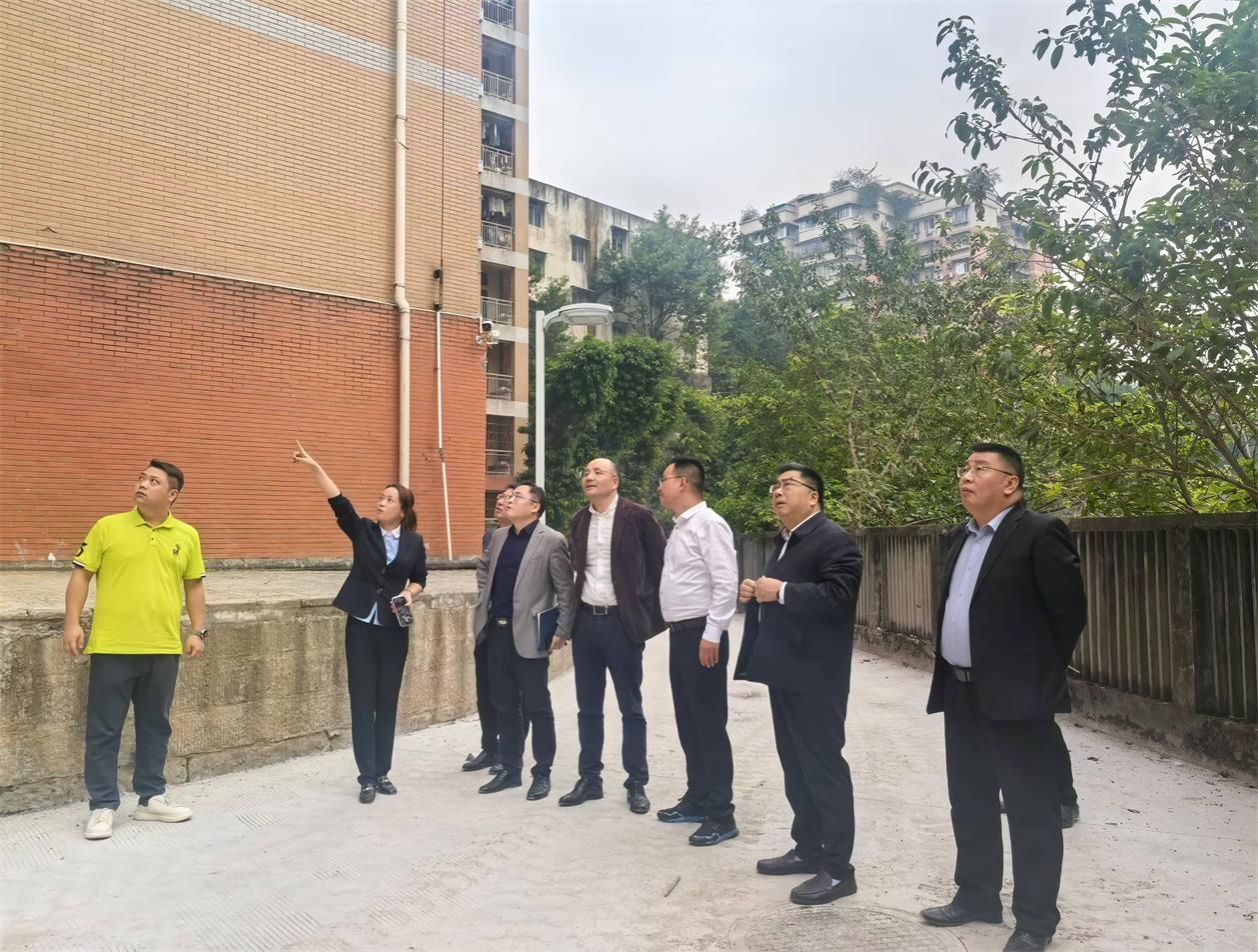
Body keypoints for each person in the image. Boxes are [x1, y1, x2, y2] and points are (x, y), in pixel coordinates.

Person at [919, 443, 1086, 952]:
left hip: (1018, 699)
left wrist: (1034, 679)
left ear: (1010, 484)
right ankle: (977, 895)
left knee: (1031, 810)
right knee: (969, 800)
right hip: (960, 690)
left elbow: (1069, 614)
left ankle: (1035, 921)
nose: (967, 476)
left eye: (980, 468)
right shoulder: (959, 537)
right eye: (964, 468)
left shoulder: (1039, 532)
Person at [734, 463, 863, 906]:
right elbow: (780, 591)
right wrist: (759, 591)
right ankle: (808, 848)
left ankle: (839, 869)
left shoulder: (834, 539)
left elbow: (840, 597)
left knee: (823, 768)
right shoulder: (787, 540)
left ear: (814, 496)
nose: (778, 491)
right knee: (795, 766)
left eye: (788, 484)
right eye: (775, 485)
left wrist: (781, 591)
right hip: (786, 671)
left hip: (817, 676)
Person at [64, 460, 208, 841]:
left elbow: (194, 585)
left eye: (153, 481)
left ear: (172, 494)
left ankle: (151, 797)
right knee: (104, 729)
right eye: (141, 478)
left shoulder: (187, 535)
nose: (142, 484)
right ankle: (102, 805)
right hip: (113, 647)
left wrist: (198, 630)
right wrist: (72, 622)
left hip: (163, 647)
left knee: (155, 725)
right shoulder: (107, 527)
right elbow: (81, 574)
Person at [292, 442, 427, 804]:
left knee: (387, 700)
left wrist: (409, 594)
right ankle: (366, 776)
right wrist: (315, 467)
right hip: (361, 626)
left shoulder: (414, 543)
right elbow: (339, 502)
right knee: (362, 700)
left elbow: (420, 579)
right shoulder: (363, 530)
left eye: (388, 499)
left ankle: (383, 772)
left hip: (394, 629)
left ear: (402, 510)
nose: (380, 502)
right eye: (380, 497)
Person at [554, 458, 666, 814]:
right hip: (587, 622)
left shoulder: (638, 516)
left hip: (622, 623)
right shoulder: (580, 520)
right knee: (588, 707)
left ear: (615, 481)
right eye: (586, 472)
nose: (589, 476)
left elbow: (661, 567)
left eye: (597, 472)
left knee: (630, 707)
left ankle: (636, 783)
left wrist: (647, 617)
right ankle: (590, 779)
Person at [656, 458, 739, 847]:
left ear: (683, 482)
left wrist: (713, 632)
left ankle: (721, 814)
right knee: (689, 721)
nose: (659, 487)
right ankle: (698, 798)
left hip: (701, 635)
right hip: (681, 634)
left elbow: (725, 581)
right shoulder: (681, 527)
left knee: (708, 724)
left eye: (664, 479)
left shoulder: (709, 524)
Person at [473, 484, 573, 799]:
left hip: (530, 635)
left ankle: (541, 773)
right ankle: (510, 770)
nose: (509, 500)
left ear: (535, 506)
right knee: (505, 706)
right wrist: (483, 602)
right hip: (496, 632)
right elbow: (485, 571)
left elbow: (565, 589)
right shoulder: (499, 537)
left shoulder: (552, 540)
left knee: (538, 707)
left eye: (517, 496)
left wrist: (562, 629)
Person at [464, 485, 517, 775]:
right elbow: (484, 578)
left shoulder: (533, 539)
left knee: (510, 694)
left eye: (508, 497)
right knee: (484, 690)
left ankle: (510, 751)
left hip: (514, 628)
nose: (500, 501)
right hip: (488, 623)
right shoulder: (491, 536)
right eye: (499, 497)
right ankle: (490, 747)